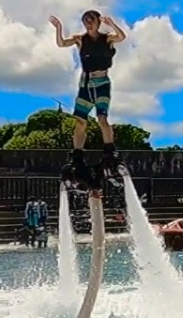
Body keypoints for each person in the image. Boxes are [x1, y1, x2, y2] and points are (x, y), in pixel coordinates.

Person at [49, 10, 127, 188]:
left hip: (102, 82)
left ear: (98, 22)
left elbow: (121, 37)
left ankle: (109, 150)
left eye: (92, 21)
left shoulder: (106, 38)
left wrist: (112, 24)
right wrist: (59, 28)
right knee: (80, 122)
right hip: (85, 83)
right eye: (86, 21)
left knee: (102, 118)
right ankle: (77, 154)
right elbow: (61, 44)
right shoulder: (80, 39)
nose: (88, 24)